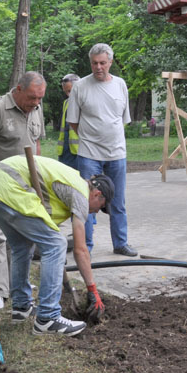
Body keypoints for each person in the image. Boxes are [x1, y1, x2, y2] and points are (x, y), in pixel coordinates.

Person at [0, 155, 110, 336]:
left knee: (22, 247)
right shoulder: (81, 194)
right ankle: (47, 318)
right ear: (97, 194)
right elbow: (80, 249)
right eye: (101, 207)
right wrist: (92, 289)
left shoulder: (71, 184)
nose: (96, 212)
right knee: (56, 245)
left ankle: (21, 307)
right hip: (8, 186)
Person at [0, 71, 47, 311]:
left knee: (23, 237)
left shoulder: (36, 110)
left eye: (39, 99)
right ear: (19, 89)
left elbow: (36, 145)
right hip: (0, 185)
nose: (35, 103)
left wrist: (38, 180)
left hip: (25, 187)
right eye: (32, 98)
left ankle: (18, 285)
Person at [67, 43, 137, 257]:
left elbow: (121, 119)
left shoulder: (120, 84)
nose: (98, 67)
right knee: (85, 201)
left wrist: (108, 136)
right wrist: (92, 138)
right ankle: (85, 246)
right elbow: (73, 122)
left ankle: (120, 243)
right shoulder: (80, 87)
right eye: (95, 63)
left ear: (110, 63)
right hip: (89, 154)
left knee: (118, 201)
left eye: (102, 63)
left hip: (116, 153)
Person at [58, 74, 80, 169]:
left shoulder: (85, 102)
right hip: (65, 151)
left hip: (79, 152)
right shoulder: (66, 103)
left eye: (70, 91)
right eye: (66, 92)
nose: (68, 94)